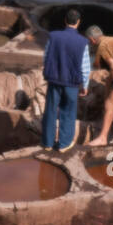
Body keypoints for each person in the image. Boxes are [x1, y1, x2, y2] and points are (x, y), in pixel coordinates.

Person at [41, 9, 91, 152]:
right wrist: (85, 85)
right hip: (71, 83)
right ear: (78, 22)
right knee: (68, 112)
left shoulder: (54, 36)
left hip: (54, 80)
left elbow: (46, 56)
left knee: (50, 110)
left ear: (65, 21)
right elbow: (85, 66)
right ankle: (63, 144)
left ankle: (47, 143)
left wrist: (47, 73)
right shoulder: (82, 42)